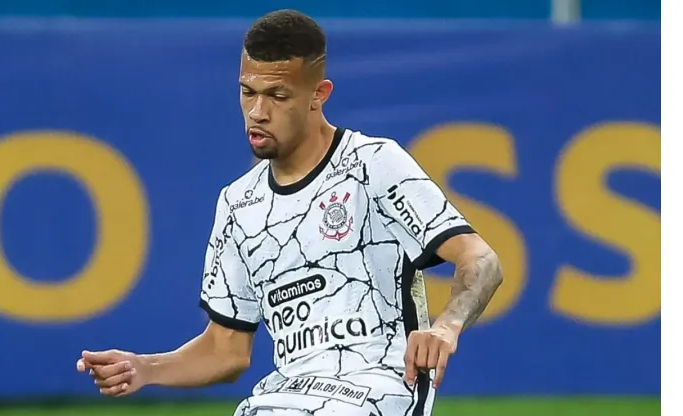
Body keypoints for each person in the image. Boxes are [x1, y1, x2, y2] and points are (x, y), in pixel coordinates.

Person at [76, 9, 503, 416]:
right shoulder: (237, 203)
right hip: (281, 398)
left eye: (277, 95)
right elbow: (226, 350)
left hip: (375, 392)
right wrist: (145, 369)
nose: (258, 112)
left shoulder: (373, 164)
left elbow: (481, 260)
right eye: (247, 92)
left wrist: (446, 326)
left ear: (319, 95)